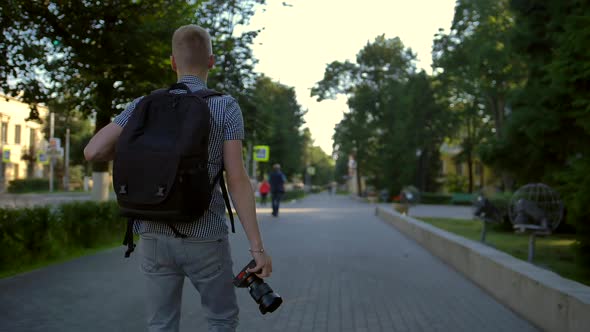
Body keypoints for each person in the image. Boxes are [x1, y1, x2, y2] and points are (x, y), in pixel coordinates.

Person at [83, 24, 272, 332]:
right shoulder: (225, 106)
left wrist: (139, 156)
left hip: (153, 234)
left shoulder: (142, 104)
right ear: (211, 61)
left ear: (172, 62)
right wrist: (257, 249)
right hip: (205, 233)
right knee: (221, 319)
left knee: (161, 324)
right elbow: (237, 179)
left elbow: (92, 151)